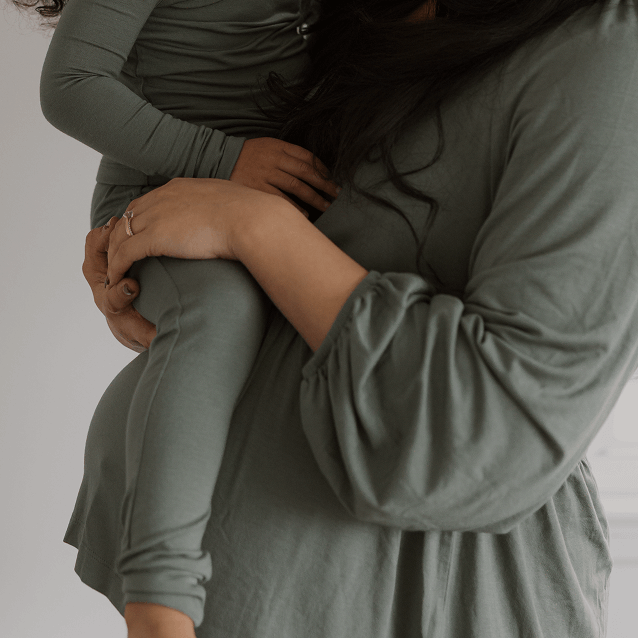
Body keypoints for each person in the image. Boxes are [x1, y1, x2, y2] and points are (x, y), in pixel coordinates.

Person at [73, 0, 638, 636]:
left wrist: (248, 224)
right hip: (230, 594)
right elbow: (177, 92)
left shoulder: (609, 49)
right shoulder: (354, 17)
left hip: (417, 600)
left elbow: (493, 436)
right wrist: (141, 227)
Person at [14, 0, 337, 634]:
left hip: (284, 200)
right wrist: (225, 161)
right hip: (160, 196)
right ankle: (158, 605)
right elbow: (70, 86)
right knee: (220, 312)